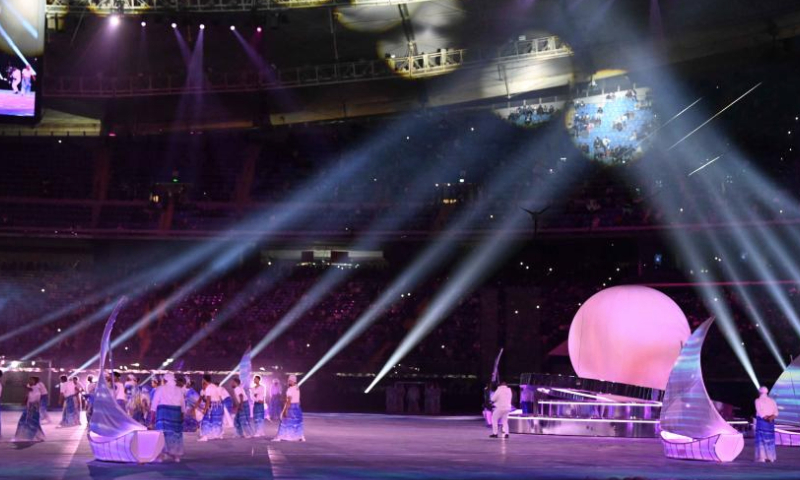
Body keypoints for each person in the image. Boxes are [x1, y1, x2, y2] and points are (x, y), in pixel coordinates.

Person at [151, 373, 185, 462]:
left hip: (163, 413)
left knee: (162, 434)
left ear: (165, 380)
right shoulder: (179, 389)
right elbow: (182, 404)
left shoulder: (160, 389)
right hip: (176, 413)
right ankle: (176, 456)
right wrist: (182, 415)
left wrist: (151, 418)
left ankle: (161, 456)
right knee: (175, 434)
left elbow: (154, 404)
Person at [273, 375, 305, 442]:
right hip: (297, 407)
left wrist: (285, 410)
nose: (288, 382)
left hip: (291, 407)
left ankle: (281, 436)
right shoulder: (297, 388)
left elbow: (289, 401)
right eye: (288, 380)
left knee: (285, 421)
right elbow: (298, 400)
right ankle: (299, 436)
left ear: (293, 381)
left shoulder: (290, 389)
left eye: (290, 381)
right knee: (297, 422)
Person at [14, 377, 45, 443]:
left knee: (33, 422)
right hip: (29, 407)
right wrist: (24, 401)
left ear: (35, 381)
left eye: (32, 380)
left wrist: (21, 383)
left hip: (34, 408)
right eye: (30, 380)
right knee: (24, 421)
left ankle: (36, 436)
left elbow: (28, 388)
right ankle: (26, 435)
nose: (30, 381)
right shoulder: (32, 387)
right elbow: (28, 393)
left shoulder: (36, 387)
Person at [755, 386, 779, 463]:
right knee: (770, 440)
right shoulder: (772, 401)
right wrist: (770, 418)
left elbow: (760, 412)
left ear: (759, 392)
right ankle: (771, 457)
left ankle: (762, 457)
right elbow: (776, 412)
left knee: (761, 440)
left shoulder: (757, 400)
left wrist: (766, 418)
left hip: (762, 422)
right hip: (770, 423)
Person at [199, 374, 224, 441]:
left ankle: (205, 436)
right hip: (218, 406)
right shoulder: (214, 386)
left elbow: (208, 400)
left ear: (204, 380)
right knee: (216, 421)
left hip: (212, 406)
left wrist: (205, 409)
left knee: (206, 421)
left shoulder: (208, 388)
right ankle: (217, 435)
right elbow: (219, 397)